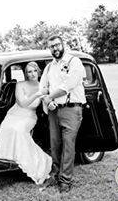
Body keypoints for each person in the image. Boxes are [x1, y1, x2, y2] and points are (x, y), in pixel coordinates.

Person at [39, 35, 86, 193]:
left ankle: (65, 181)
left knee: (68, 145)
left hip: (71, 108)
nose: (55, 48)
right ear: (49, 48)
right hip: (53, 110)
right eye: (52, 46)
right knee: (55, 145)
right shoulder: (49, 66)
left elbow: (68, 85)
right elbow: (42, 87)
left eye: (57, 45)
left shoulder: (74, 62)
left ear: (62, 45)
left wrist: (50, 96)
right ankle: (57, 175)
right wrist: (47, 100)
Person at [0, 61, 52, 185]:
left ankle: (35, 163)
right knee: (6, 127)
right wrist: (37, 94)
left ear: (38, 71)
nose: (32, 74)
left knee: (18, 130)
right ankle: (9, 160)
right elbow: (22, 103)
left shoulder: (44, 87)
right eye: (29, 72)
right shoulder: (20, 85)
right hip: (14, 114)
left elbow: (45, 108)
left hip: (29, 116)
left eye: (34, 71)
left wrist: (46, 99)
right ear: (25, 74)